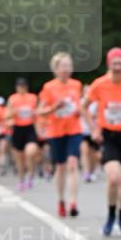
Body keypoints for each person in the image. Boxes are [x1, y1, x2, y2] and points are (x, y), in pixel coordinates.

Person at [82, 47, 121, 237]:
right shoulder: (99, 84)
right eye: (114, 63)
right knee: (114, 177)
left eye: (120, 63)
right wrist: (93, 129)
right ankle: (110, 216)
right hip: (109, 135)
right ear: (109, 65)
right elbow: (83, 106)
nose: (117, 67)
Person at [37, 53, 83, 217]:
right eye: (63, 66)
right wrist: (54, 108)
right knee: (61, 167)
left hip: (74, 130)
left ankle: (73, 202)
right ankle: (61, 200)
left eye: (69, 66)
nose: (66, 69)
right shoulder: (49, 87)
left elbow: (80, 107)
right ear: (55, 69)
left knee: (72, 164)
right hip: (55, 131)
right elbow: (40, 111)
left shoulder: (77, 85)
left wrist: (78, 111)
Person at [6, 78, 40, 190]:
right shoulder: (12, 99)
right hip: (17, 129)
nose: (22, 88)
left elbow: (39, 113)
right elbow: (6, 116)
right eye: (20, 86)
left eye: (24, 86)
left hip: (29, 128)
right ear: (16, 88)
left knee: (30, 152)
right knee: (19, 158)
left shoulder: (33, 98)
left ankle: (30, 176)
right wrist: (13, 113)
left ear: (27, 87)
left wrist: (36, 117)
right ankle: (21, 180)